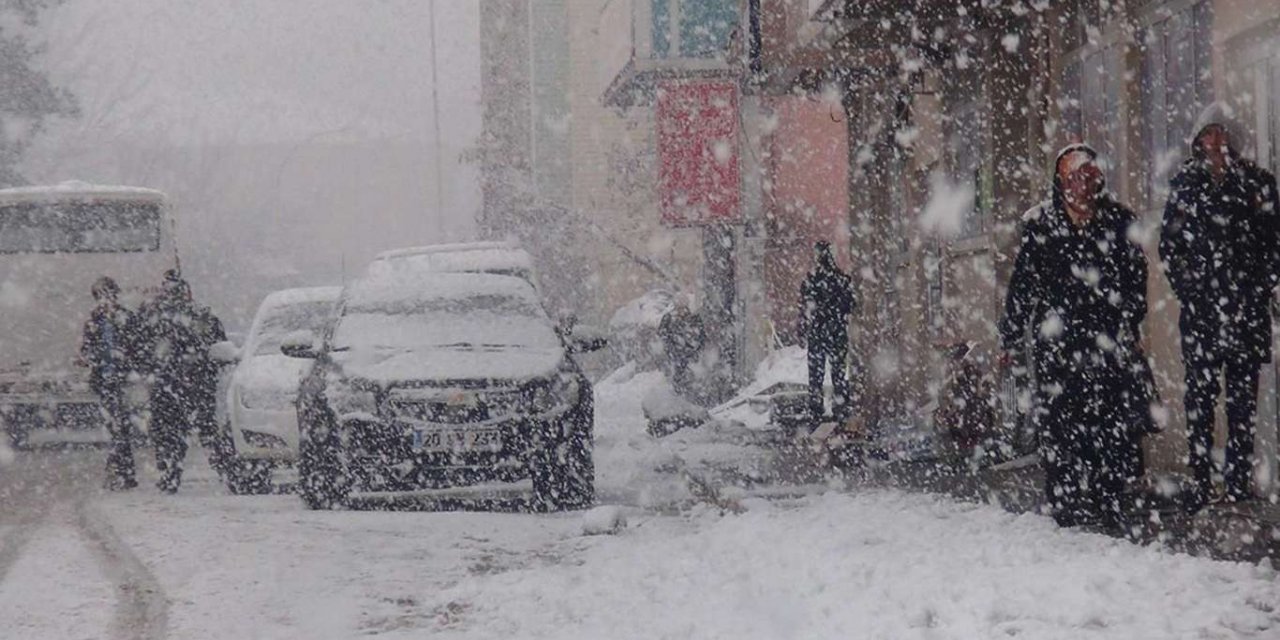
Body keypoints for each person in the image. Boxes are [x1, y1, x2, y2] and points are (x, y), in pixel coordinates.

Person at [1000, 144, 1149, 529]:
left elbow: (1135, 278)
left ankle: (1108, 496)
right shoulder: (1041, 225)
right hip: (1058, 341)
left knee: (1110, 420)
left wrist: (1129, 321)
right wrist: (1011, 333)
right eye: (1074, 176)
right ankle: (1064, 497)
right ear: (1060, 181)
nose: (1082, 184)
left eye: (1088, 175)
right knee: (1060, 420)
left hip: (1105, 338)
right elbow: (1023, 284)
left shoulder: (1118, 221)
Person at [1159, 103, 1280, 507]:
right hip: (1202, 316)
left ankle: (1238, 481)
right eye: (1208, 134)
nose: (1215, 142)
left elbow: (1273, 247)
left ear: (1234, 139)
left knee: (1242, 402)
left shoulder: (1259, 184)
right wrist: (1193, 291)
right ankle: (1200, 478)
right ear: (1197, 141)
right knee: (1200, 399)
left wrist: (1256, 289)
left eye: (1222, 133)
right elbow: (1170, 248)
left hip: (1245, 313)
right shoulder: (1184, 186)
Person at [131, 269, 235, 493]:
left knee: (171, 432)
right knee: (202, 430)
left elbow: (139, 349)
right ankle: (224, 469)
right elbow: (218, 347)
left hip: (171, 384)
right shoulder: (197, 316)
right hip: (190, 384)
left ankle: (173, 470)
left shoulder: (156, 317)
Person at [79, 276, 138, 490]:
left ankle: (120, 470)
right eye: (99, 296)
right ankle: (122, 471)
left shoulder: (127, 318)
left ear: (115, 295)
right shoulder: (93, 321)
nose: (104, 300)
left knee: (120, 426)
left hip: (124, 381)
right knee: (116, 426)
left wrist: (126, 360)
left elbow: (139, 348)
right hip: (105, 380)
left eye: (107, 295)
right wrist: (90, 358)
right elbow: (86, 349)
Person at [800, 241, 856, 421]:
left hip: (818, 330)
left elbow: (805, 306)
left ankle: (816, 408)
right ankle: (840, 406)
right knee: (838, 371)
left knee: (816, 372)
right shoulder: (842, 279)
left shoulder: (811, 280)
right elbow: (850, 305)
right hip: (837, 330)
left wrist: (807, 323)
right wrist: (837, 313)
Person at [658, 295, 705, 398]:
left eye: (683, 307)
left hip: (690, 357)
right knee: (677, 377)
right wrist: (671, 348)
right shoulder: (668, 319)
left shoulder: (693, 319)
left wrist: (695, 350)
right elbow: (662, 334)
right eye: (678, 308)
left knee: (690, 378)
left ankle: (688, 397)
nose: (681, 311)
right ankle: (678, 396)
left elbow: (701, 337)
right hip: (676, 356)